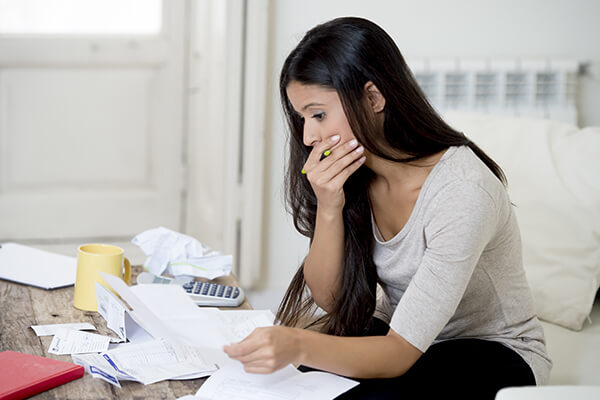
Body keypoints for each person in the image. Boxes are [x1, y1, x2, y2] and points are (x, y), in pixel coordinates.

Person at [224, 16, 551, 399]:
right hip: (405, 335)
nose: (309, 136)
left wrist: (297, 343)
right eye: (302, 119)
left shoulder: (463, 191)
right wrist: (329, 206)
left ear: (374, 98)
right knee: (295, 382)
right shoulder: (359, 177)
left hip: (492, 349)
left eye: (318, 115)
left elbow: (398, 354)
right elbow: (332, 299)